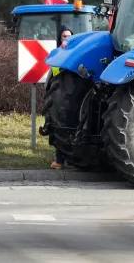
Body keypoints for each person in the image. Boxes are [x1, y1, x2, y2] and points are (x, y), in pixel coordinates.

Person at [50, 26, 74, 170]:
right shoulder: (57, 53)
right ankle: (59, 160)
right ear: (60, 38)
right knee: (60, 126)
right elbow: (55, 72)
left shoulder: (77, 52)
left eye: (69, 36)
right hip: (61, 95)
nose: (67, 38)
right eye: (64, 36)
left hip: (74, 95)